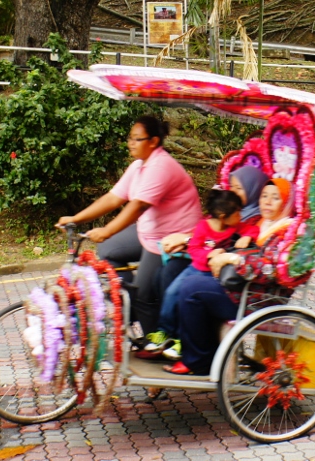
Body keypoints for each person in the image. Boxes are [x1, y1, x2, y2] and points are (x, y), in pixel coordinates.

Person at [56, 115, 202, 337]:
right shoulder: (138, 166)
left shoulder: (161, 166)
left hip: (169, 238)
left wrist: (107, 230)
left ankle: (156, 340)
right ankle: (130, 305)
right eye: (130, 138)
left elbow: (138, 205)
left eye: (137, 139)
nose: (131, 143)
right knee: (107, 251)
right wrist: (76, 218)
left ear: (153, 141)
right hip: (148, 232)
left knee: (143, 293)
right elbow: (113, 198)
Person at [164, 178, 295, 375]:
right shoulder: (259, 222)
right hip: (238, 285)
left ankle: (198, 360)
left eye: (275, 198)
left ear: (286, 202)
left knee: (191, 288)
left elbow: (273, 269)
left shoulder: (287, 232)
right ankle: (194, 351)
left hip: (255, 296)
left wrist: (234, 259)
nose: (268, 202)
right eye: (264, 196)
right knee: (183, 278)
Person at [142, 189, 260, 360]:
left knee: (187, 303)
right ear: (222, 216)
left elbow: (253, 229)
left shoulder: (236, 227)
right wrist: (209, 255)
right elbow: (194, 249)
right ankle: (164, 331)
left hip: (213, 276)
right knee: (171, 293)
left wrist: (247, 237)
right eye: (237, 213)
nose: (240, 216)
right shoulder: (203, 227)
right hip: (195, 269)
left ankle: (181, 340)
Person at [156, 165, 269, 298]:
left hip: (220, 266)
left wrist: (187, 240)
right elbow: (205, 232)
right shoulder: (224, 209)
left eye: (239, 188)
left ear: (253, 190)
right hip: (202, 256)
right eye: (232, 186)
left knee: (172, 272)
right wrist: (187, 241)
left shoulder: (254, 218)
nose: (234, 192)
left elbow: (243, 237)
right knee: (160, 273)